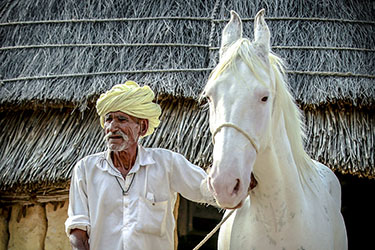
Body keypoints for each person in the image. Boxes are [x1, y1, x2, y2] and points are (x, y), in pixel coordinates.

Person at [65, 81, 215, 250]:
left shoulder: (166, 164)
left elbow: (207, 189)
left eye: (122, 119)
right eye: (108, 119)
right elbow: (78, 230)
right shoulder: (85, 170)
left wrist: (239, 185)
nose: (112, 127)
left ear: (142, 127)